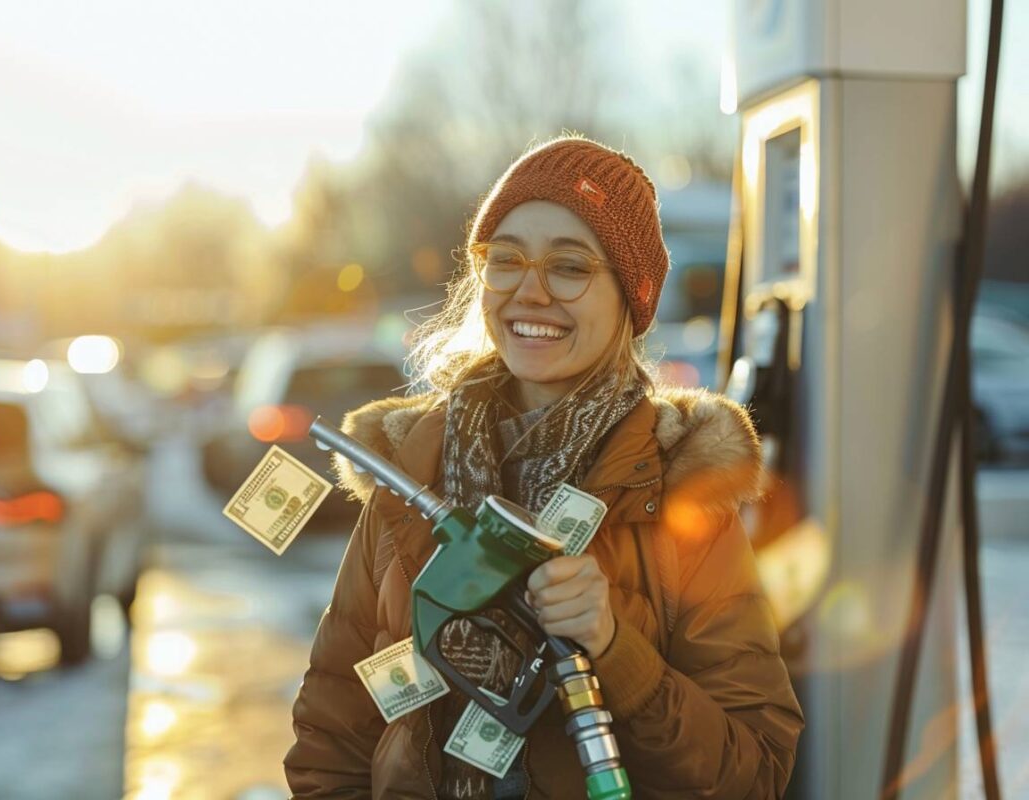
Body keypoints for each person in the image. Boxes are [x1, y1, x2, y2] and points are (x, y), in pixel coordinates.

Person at [285, 135, 804, 798]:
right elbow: (333, 735)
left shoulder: (678, 492)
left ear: (630, 296)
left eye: (569, 267)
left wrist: (615, 646)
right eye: (507, 261)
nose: (530, 292)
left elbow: (753, 773)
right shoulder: (411, 474)